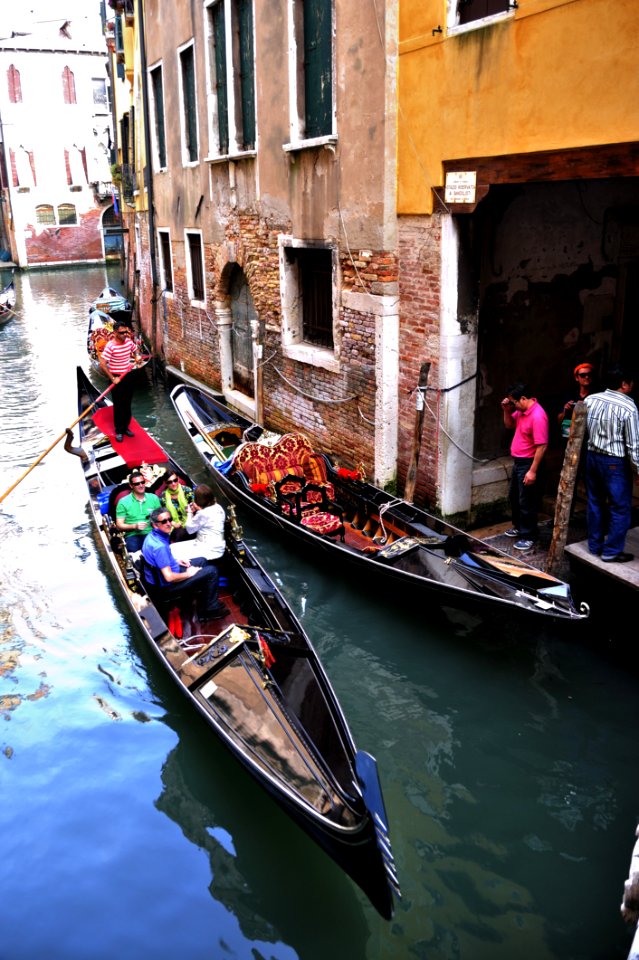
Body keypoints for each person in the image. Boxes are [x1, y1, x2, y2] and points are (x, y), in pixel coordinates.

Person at [584, 365, 639, 563]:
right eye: (631, 382)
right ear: (624, 384)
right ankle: (611, 551)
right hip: (614, 462)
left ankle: (595, 545)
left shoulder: (590, 400)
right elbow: (633, 445)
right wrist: (638, 470)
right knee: (620, 507)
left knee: (595, 502)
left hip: (592, 457)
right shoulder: (629, 407)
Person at [141, 508, 228, 619]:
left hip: (160, 575)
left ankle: (207, 602)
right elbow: (169, 578)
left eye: (169, 519)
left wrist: (176, 561)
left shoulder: (152, 537)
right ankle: (209, 611)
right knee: (212, 571)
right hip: (166, 587)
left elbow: (158, 560)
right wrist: (189, 574)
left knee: (202, 560)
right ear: (155, 525)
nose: (168, 523)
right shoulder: (160, 547)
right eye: (163, 521)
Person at [501, 383, 549, 552]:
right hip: (518, 461)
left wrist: (533, 471)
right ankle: (519, 526)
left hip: (529, 463)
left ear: (523, 399)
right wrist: (507, 410)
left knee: (527, 501)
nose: (514, 405)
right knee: (514, 496)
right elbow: (509, 425)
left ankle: (529, 535)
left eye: (514, 402)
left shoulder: (538, 416)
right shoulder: (521, 411)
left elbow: (542, 446)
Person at [99, 320, 140, 443]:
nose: (125, 335)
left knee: (127, 403)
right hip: (116, 377)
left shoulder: (128, 341)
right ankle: (119, 431)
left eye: (126, 332)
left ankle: (126, 427)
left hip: (127, 375)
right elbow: (102, 364)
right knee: (118, 405)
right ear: (115, 333)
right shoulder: (110, 346)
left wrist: (136, 356)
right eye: (122, 333)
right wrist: (112, 378)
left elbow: (135, 349)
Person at [171, 484, 226, 563]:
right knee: (173, 548)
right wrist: (198, 509)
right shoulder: (218, 507)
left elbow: (189, 529)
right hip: (218, 545)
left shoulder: (202, 514)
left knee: (173, 551)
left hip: (209, 549)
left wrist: (190, 513)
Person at [115, 471, 162, 552]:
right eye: (137, 484)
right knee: (133, 549)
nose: (141, 485)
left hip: (152, 532)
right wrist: (135, 526)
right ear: (131, 485)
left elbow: (160, 518)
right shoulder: (123, 502)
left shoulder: (153, 498)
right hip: (133, 535)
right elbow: (119, 525)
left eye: (142, 482)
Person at [557, 362, 598, 437]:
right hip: (570, 437)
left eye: (589, 374)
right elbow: (559, 421)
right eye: (583, 375)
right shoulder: (570, 395)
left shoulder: (597, 396)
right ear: (577, 378)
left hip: (589, 437)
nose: (587, 377)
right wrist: (565, 411)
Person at [160, 472, 194, 540]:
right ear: (166, 483)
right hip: (173, 525)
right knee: (179, 534)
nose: (173, 484)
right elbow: (163, 515)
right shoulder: (163, 497)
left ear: (178, 479)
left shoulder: (187, 491)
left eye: (175, 480)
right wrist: (173, 523)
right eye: (170, 482)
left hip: (190, 520)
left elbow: (195, 507)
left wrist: (190, 512)